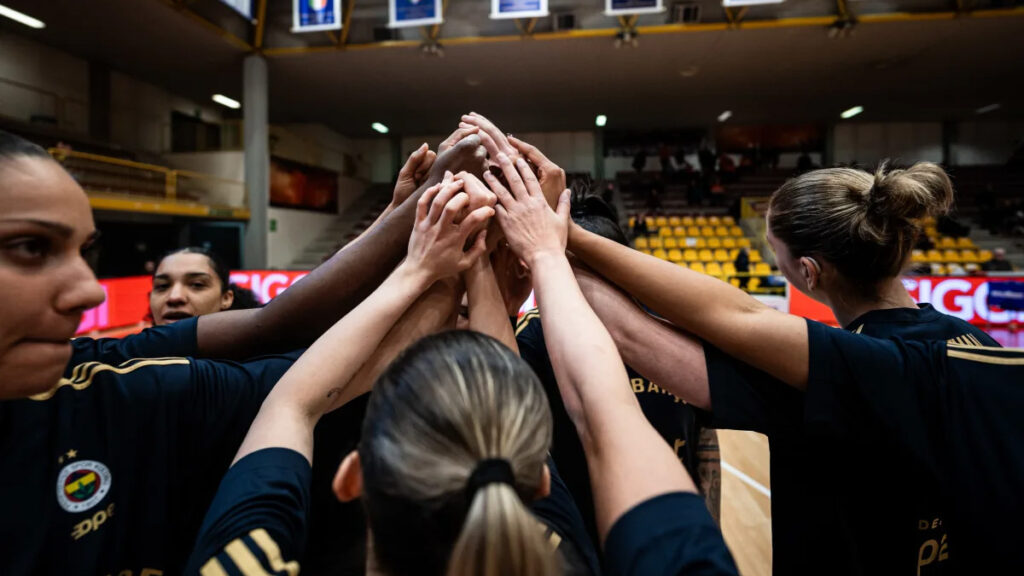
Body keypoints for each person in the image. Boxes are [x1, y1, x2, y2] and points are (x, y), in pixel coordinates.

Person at [0, 128, 490, 575]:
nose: (89, 292)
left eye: (86, 253)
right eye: (28, 248)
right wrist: (418, 246)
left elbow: (297, 365)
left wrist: (423, 245)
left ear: (226, 297)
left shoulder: (122, 385)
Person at [557, 160, 1001, 575]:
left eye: (775, 252)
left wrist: (552, 245)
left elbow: (635, 334)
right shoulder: (973, 342)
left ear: (809, 273)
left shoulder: (832, 378)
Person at [185, 179, 601, 576]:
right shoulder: (563, 559)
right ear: (539, 483)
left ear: (353, 476)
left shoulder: (246, 565)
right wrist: (492, 258)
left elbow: (291, 404)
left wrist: (419, 267)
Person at [484, 150, 738, 574]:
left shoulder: (671, 344)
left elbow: (704, 451)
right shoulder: (529, 340)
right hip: (573, 547)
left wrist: (701, 521)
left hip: (652, 529)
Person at [516, 194, 721, 547]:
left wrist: (709, 520)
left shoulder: (670, 330)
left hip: (669, 527)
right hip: (580, 540)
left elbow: (704, 441)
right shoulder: (534, 336)